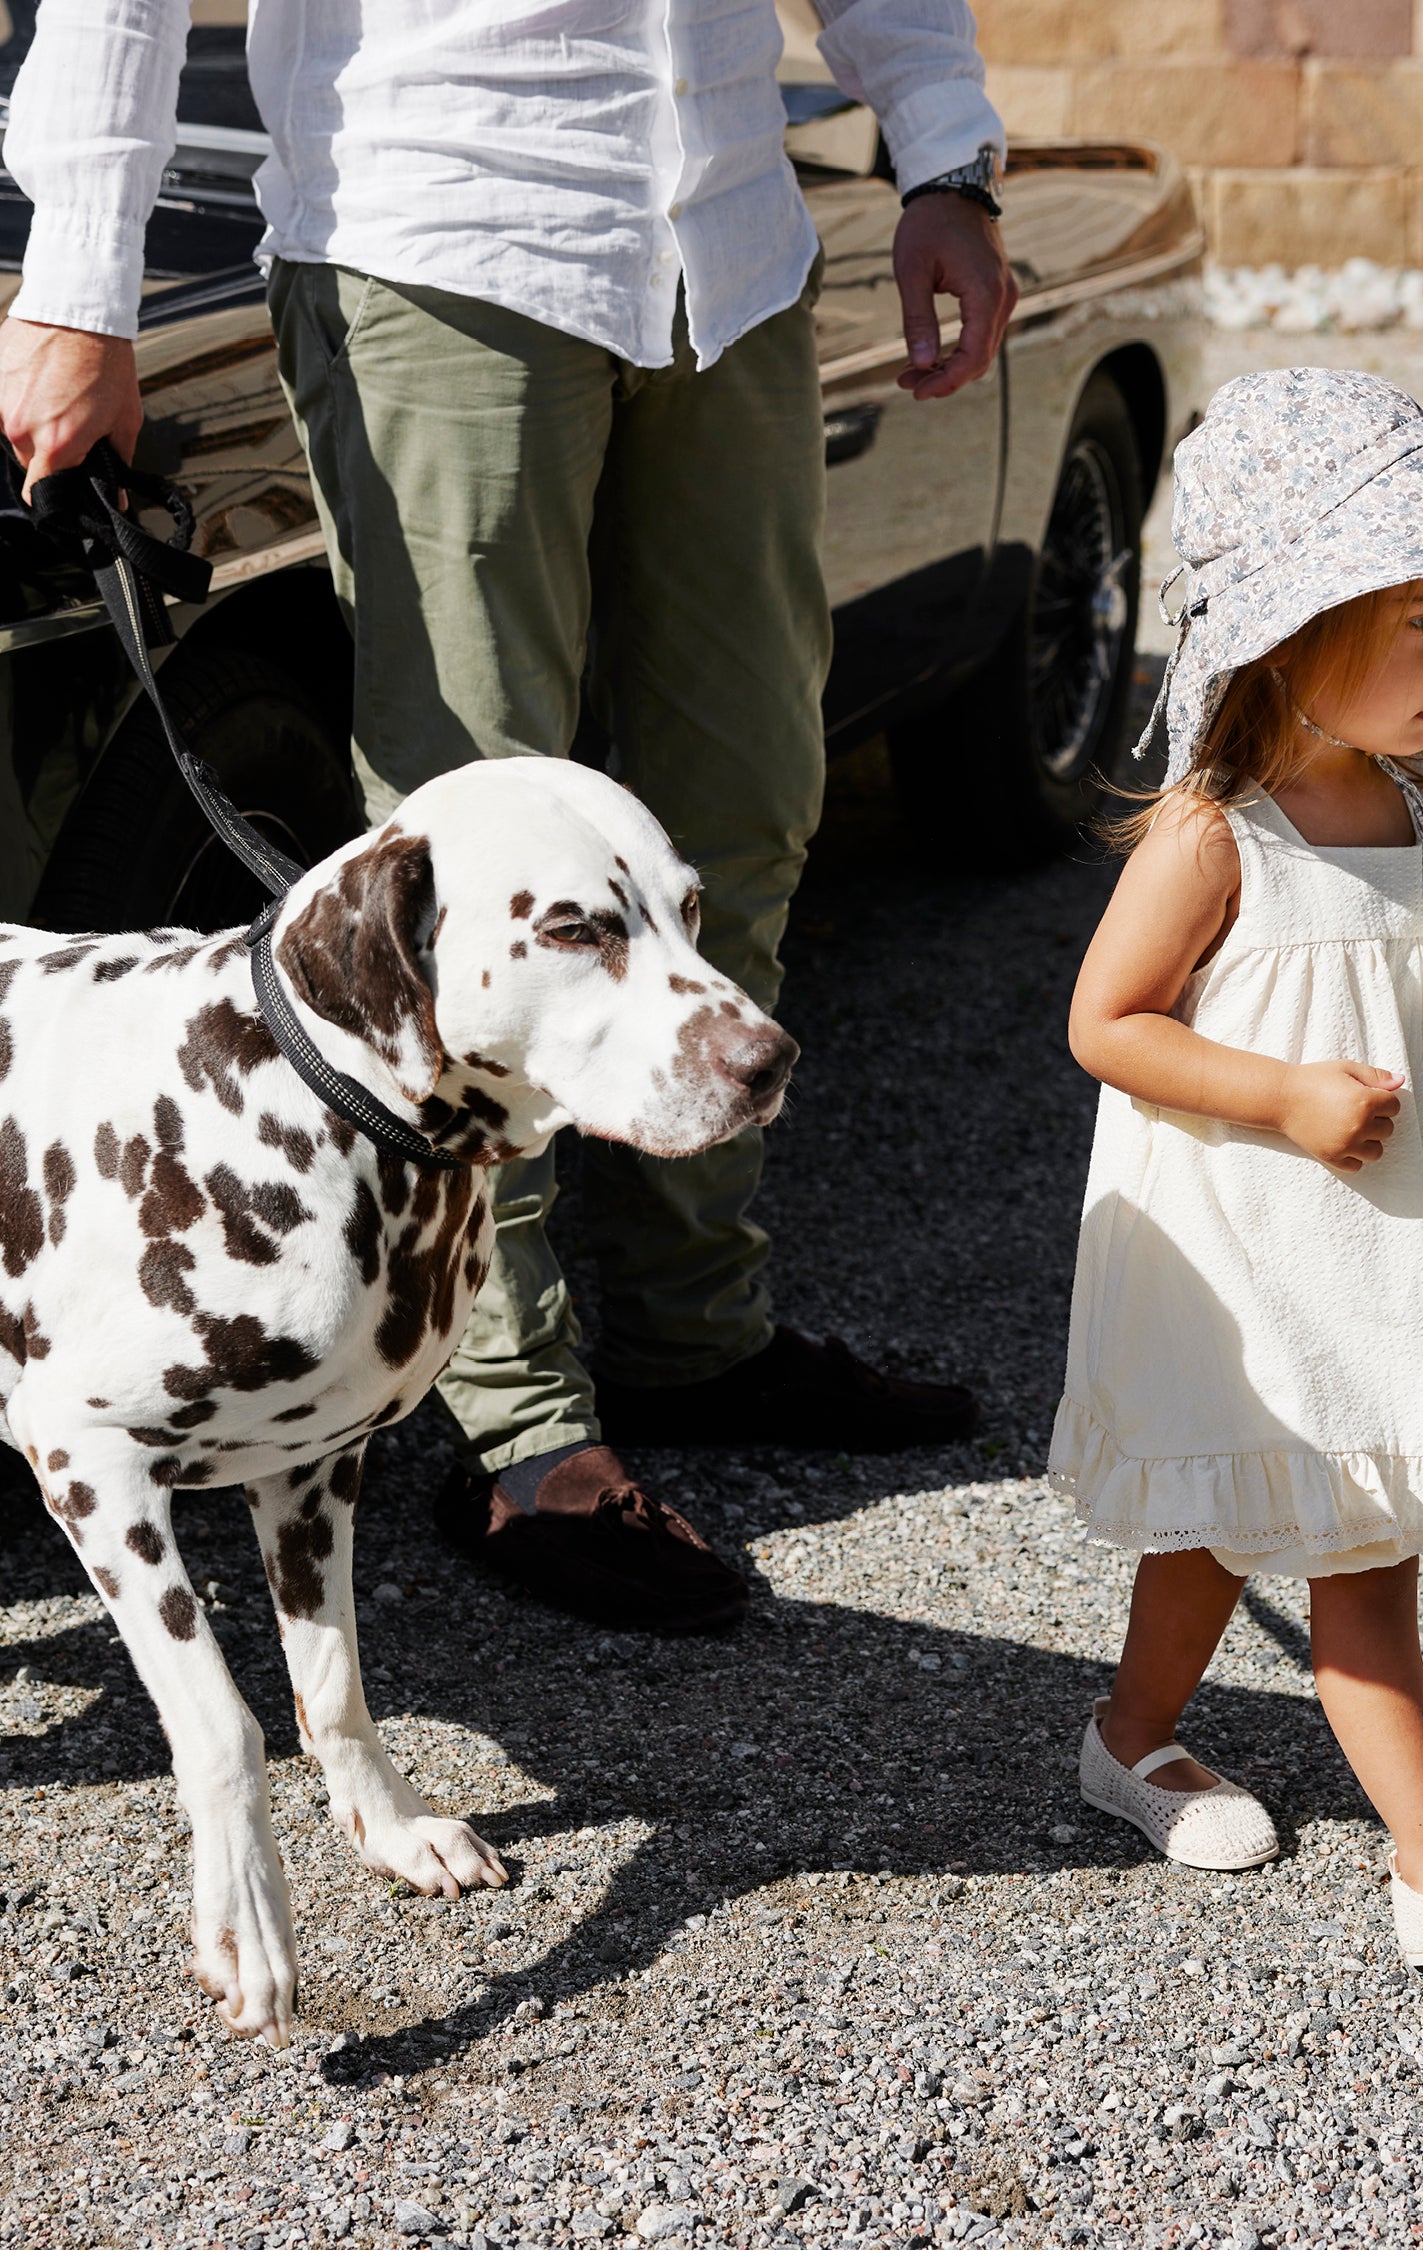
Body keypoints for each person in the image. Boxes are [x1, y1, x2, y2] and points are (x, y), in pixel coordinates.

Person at [0, 0, 1017, 1634]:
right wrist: (77, 287)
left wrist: (940, 150)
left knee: (742, 811)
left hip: (727, 243)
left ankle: (700, 1329)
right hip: (445, 230)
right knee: (465, 872)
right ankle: (516, 1424)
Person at [1050, 368, 1423, 1968]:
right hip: (1251, 1248)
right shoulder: (1214, 833)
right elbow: (1105, 1025)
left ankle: (1128, 1737)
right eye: (1421, 623)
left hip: (1368, 1253)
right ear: (1292, 631)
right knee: (1350, 1551)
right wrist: (1279, 1094)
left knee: (1225, 1524)